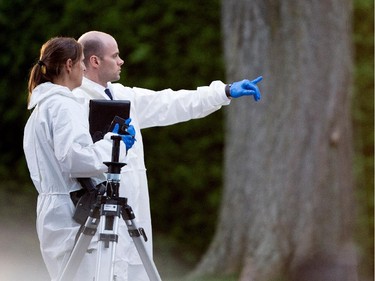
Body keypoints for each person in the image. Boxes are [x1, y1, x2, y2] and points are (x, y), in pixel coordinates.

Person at [73, 30, 263, 281]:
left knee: (136, 269)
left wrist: (224, 92)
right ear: (95, 61)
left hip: (132, 206)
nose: (121, 61)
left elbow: (172, 102)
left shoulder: (123, 95)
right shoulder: (74, 101)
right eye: (115, 56)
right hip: (96, 209)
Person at [23, 37, 134, 281]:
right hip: (72, 213)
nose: (85, 68)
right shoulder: (64, 106)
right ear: (69, 64)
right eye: (82, 62)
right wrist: (114, 142)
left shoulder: (41, 108)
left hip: (54, 212)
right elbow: (76, 160)